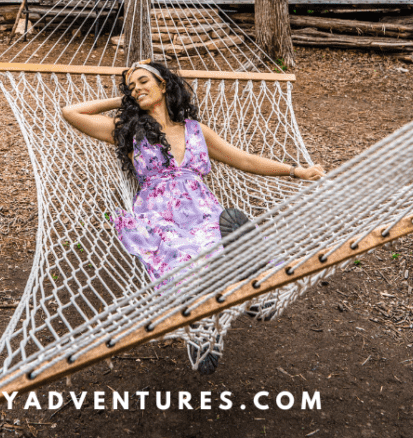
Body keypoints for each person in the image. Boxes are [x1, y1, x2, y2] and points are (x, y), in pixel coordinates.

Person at [61, 60, 325, 374]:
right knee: (184, 260)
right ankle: (206, 325)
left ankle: (252, 286)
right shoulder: (128, 131)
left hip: (203, 211)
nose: (137, 89)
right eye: (131, 87)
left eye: (144, 81)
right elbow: (71, 113)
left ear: (164, 85)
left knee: (216, 239)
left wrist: (296, 171)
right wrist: (123, 101)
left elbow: (243, 159)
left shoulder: (195, 131)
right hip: (159, 218)